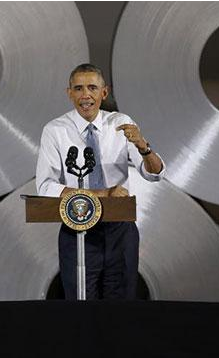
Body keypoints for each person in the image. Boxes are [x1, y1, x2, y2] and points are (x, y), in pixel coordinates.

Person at [36, 63, 165, 300]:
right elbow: (45, 187)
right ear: (69, 93)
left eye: (92, 88)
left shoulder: (121, 122)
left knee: (121, 304)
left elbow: (154, 173)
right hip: (77, 226)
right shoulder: (55, 130)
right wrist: (104, 194)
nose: (86, 95)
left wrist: (143, 146)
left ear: (104, 93)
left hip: (120, 230)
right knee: (80, 305)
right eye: (79, 88)